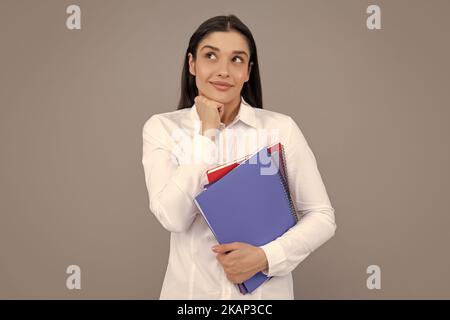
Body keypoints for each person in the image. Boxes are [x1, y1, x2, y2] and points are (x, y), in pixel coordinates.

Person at [142, 14, 336, 300]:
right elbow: (174, 217)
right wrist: (207, 132)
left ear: (248, 71)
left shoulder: (280, 129)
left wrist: (266, 257)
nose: (223, 71)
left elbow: (322, 216)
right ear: (192, 64)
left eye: (236, 59)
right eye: (211, 56)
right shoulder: (162, 128)